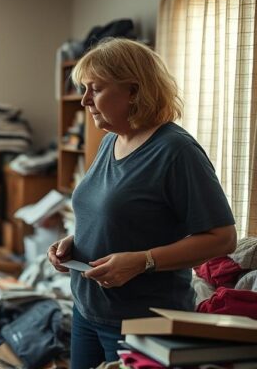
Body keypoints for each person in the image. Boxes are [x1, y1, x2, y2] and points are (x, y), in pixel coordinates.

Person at [47, 38, 237, 368]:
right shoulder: (110, 142)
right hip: (87, 310)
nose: (84, 100)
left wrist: (142, 261)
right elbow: (114, 216)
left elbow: (223, 238)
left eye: (96, 89)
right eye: (84, 89)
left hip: (141, 322)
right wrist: (72, 243)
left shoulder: (177, 151)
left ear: (134, 91)